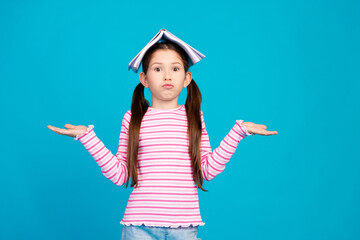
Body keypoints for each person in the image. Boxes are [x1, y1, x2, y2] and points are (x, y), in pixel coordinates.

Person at [47, 30, 278, 240]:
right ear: (145, 79)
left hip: (185, 227)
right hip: (139, 227)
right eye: (158, 69)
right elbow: (120, 174)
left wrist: (238, 132)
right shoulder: (133, 118)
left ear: (187, 78)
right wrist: (87, 137)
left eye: (175, 68)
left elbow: (208, 169)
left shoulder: (194, 117)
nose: (167, 75)